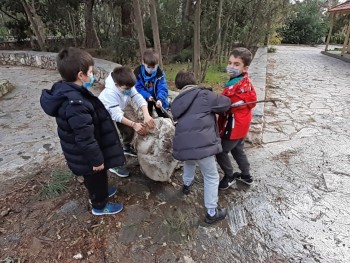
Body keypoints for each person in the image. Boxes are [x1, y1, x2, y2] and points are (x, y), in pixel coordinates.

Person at [40, 47, 125, 215]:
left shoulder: (68, 90)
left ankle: (100, 192)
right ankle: (99, 206)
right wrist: (96, 160)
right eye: (91, 72)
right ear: (81, 75)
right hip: (87, 157)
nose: (92, 76)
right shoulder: (75, 105)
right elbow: (84, 138)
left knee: (95, 180)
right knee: (96, 178)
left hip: (83, 155)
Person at [171, 70, 231, 224]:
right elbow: (225, 103)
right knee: (211, 176)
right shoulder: (204, 95)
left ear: (179, 87)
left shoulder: (176, 101)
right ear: (194, 82)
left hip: (185, 144)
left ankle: (186, 184)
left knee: (189, 161)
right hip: (202, 143)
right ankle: (212, 212)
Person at [98, 66, 156, 177]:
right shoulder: (110, 92)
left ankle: (126, 147)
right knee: (112, 139)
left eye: (131, 88)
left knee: (128, 130)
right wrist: (134, 124)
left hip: (117, 110)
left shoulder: (126, 83)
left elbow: (138, 97)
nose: (129, 91)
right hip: (103, 115)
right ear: (117, 85)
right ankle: (114, 165)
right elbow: (117, 115)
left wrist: (147, 115)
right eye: (127, 89)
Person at [216, 47, 257, 190]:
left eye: (236, 64)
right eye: (230, 62)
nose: (231, 66)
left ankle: (229, 176)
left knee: (220, 151)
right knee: (238, 149)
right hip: (242, 124)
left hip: (233, 126)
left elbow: (223, 105)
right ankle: (246, 175)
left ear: (245, 68)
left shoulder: (237, 88)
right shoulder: (242, 82)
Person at [134, 48, 169, 118]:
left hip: (157, 96)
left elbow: (163, 88)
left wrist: (160, 99)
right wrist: (147, 96)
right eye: (148, 67)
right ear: (143, 63)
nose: (151, 69)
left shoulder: (160, 74)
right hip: (145, 97)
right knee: (147, 114)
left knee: (163, 114)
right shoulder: (138, 73)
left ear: (157, 64)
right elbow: (137, 88)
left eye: (153, 67)